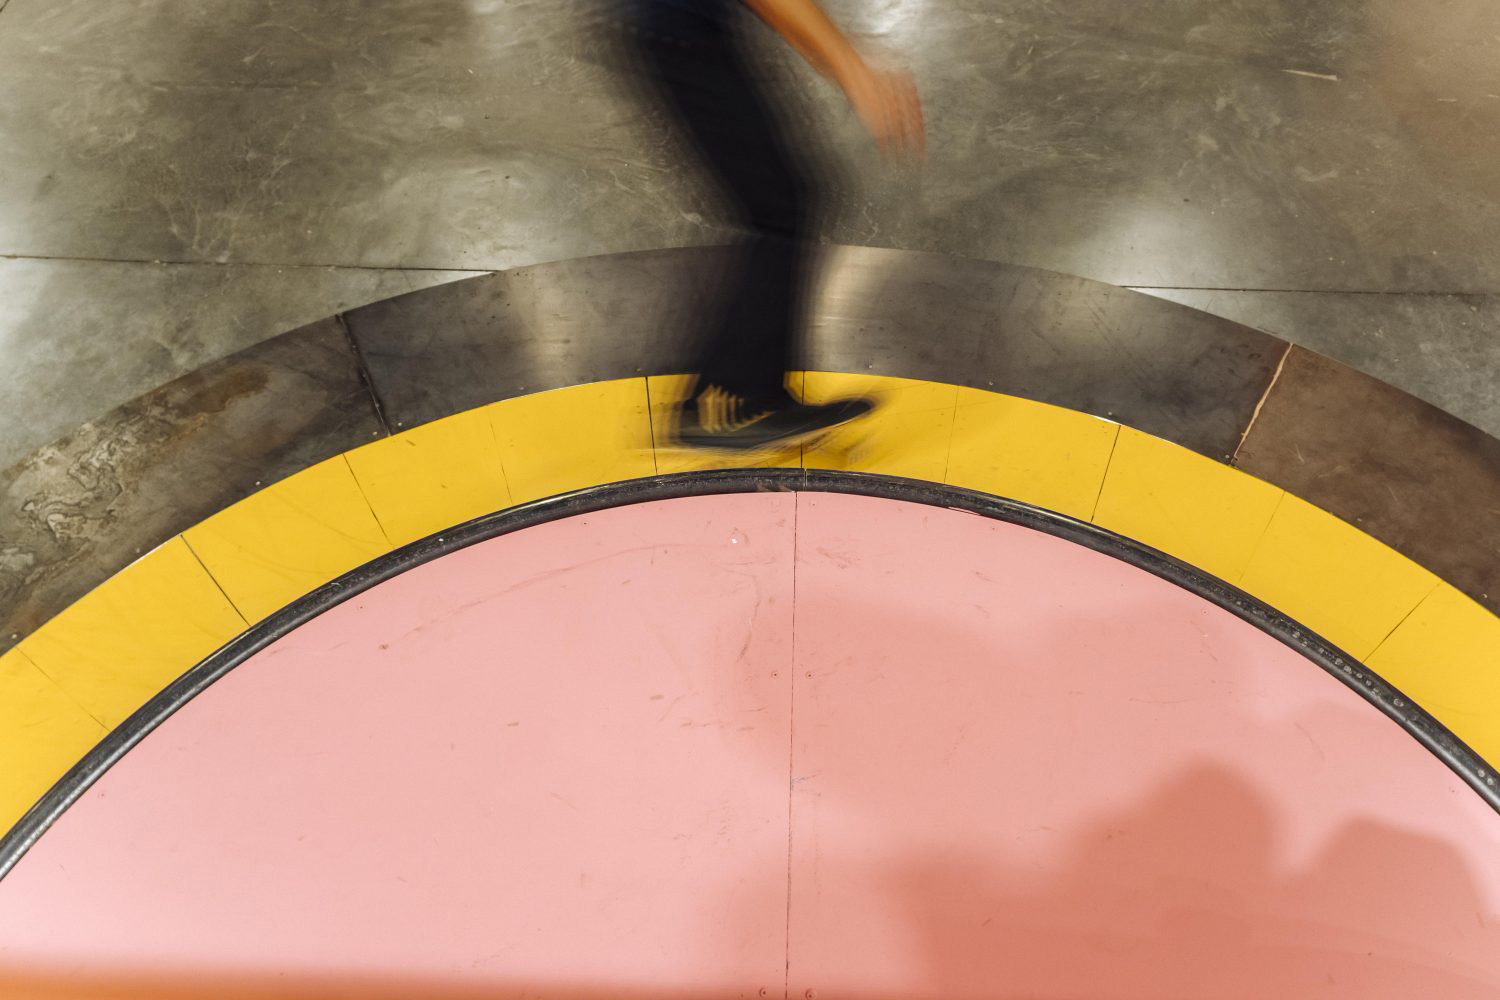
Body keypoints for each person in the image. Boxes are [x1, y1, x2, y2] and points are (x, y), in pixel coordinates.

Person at [616, 0, 925, 450]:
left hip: (679, 26)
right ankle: (734, 403)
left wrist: (835, 58)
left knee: (778, 200)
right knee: (779, 206)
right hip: (677, 29)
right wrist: (850, 68)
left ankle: (725, 396)